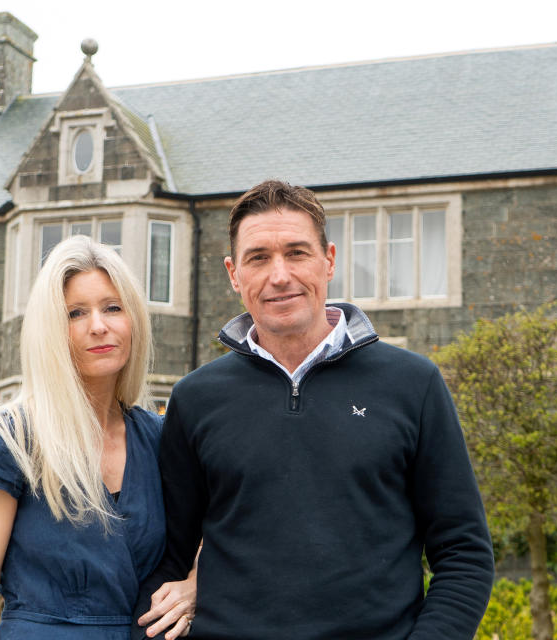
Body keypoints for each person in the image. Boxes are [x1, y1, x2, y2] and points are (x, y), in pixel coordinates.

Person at [134, 180, 494, 639]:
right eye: (258, 257)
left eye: (297, 253)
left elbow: (464, 553)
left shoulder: (412, 384)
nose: (279, 275)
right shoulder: (196, 398)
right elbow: (165, 557)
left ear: (329, 261)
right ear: (233, 273)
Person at [0, 236, 196, 640]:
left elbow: (219, 531)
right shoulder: (12, 436)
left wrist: (194, 584)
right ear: (50, 330)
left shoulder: (159, 438)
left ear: (133, 319)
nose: (99, 325)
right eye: (76, 313)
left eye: (113, 308)